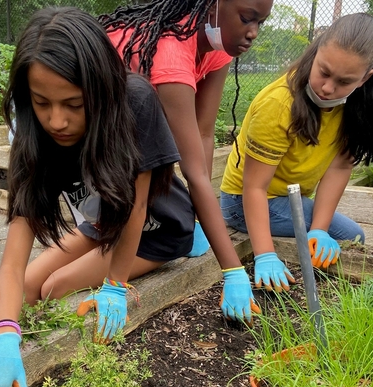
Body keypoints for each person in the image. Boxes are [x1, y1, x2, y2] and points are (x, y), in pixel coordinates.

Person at [0, 6, 196, 387]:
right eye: (41, 103)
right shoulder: (34, 135)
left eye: (74, 104)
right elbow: (13, 265)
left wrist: (114, 284)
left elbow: (136, 208)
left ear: (102, 91)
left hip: (154, 231)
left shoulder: (136, 102)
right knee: (31, 284)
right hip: (100, 222)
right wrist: (0, 337)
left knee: (54, 287)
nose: (57, 120)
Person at [101, 0, 274, 324]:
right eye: (247, 19)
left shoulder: (219, 47)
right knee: (140, 214)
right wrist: (233, 270)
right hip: (91, 137)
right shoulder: (171, 54)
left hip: (131, 135)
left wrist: (199, 218)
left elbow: (203, 133)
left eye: (260, 23)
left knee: (176, 216)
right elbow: (191, 172)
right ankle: (58, 286)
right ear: (211, 7)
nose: (252, 33)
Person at [218, 13, 373, 290]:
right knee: (350, 236)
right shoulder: (278, 104)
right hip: (243, 201)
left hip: (290, 198)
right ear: (315, 52)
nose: (328, 88)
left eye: (344, 81)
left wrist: (319, 229)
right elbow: (254, 187)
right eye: (324, 72)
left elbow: (339, 167)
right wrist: (265, 254)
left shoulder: (356, 107)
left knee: (346, 238)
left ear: (365, 78)